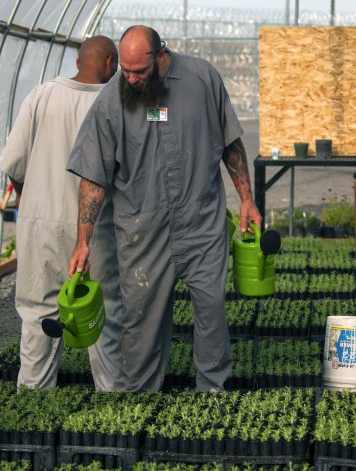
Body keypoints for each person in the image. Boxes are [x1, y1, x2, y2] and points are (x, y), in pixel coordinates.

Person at [67, 25, 262, 392]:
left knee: (211, 313)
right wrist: (83, 241)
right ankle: (141, 400)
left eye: (139, 71)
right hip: (143, 233)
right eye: (124, 69)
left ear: (160, 55)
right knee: (141, 324)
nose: (131, 78)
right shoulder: (113, 99)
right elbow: (93, 176)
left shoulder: (201, 79)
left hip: (202, 223)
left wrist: (247, 199)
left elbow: (230, 143)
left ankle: (211, 396)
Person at [0, 35, 124, 390]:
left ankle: (34, 403)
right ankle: (111, 404)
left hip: (40, 222)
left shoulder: (42, 95)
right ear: (110, 63)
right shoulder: (112, 103)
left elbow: (14, 162)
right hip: (94, 227)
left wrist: (29, 197)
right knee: (102, 312)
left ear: (77, 62)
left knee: (39, 313)